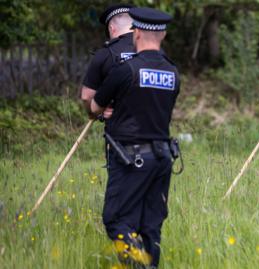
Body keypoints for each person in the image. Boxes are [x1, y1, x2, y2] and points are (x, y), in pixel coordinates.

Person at [89, 7, 179, 268]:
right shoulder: (173, 73)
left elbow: (95, 107)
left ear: (136, 32)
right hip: (163, 157)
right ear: (161, 36)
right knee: (151, 226)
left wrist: (107, 107)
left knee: (116, 220)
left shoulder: (125, 70)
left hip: (130, 158)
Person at [81, 3, 135, 119]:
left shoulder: (105, 54)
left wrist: (95, 113)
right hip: (155, 130)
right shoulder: (154, 52)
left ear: (111, 28)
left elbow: (86, 96)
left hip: (119, 131)